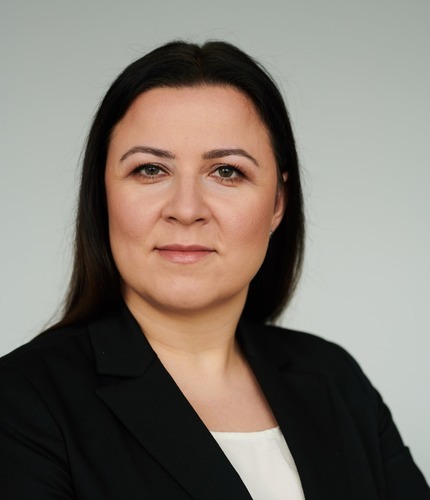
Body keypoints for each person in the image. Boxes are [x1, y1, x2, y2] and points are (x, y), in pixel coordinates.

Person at [0, 41, 428, 500]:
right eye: (150, 169)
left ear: (278, 203)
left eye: (226, 172)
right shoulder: (22, 400)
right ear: (102, 195)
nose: (186, 210)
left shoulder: (335, 380)